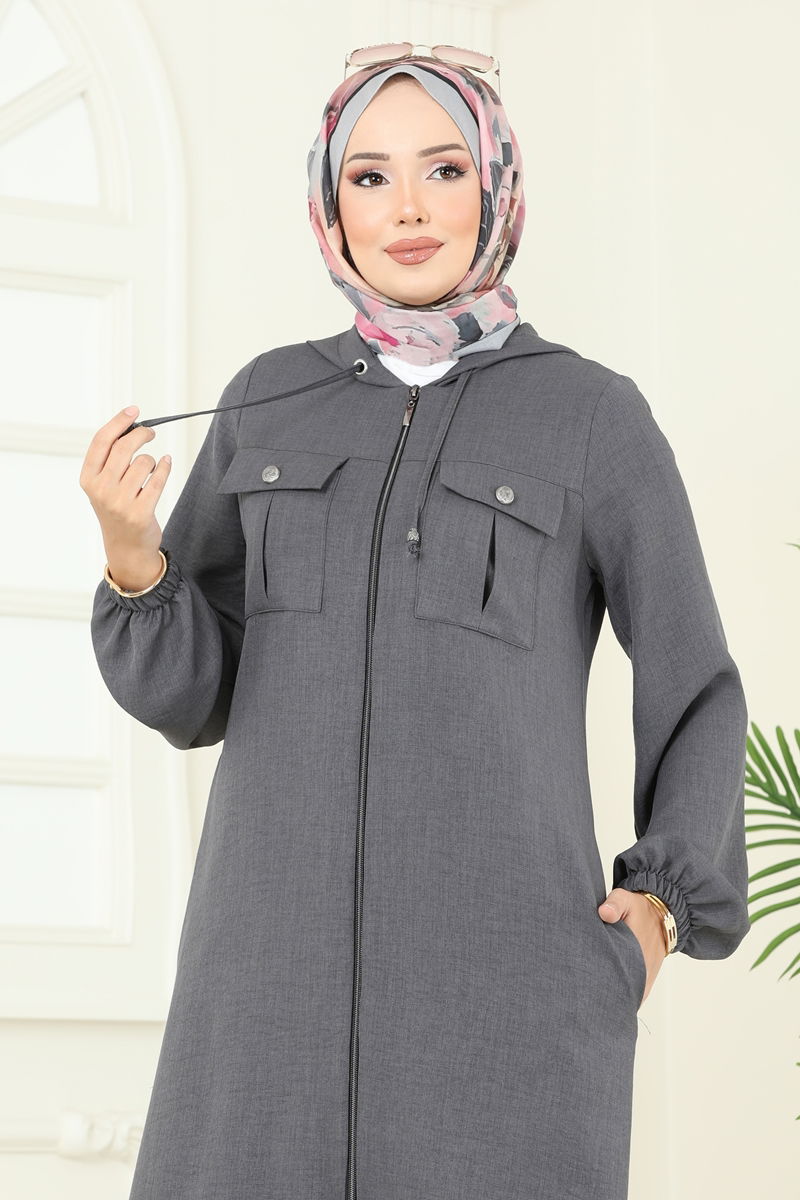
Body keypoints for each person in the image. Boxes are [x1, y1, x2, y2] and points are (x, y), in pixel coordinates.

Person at [81, 46, 751, 1200]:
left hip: (505, 1005)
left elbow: (696, 684)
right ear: (329, 201)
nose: (406, 209)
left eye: (442, 169)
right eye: (369, 177)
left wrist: (657, 906)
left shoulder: (589, 417)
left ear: (494, 185)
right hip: (264, 997)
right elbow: (197, 697)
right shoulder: (264, 399)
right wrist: (134, 556)